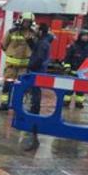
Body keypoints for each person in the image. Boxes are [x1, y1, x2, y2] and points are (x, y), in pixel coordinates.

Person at [23, 23, 54, 151]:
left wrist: (31, 66)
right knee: (34, 91)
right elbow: (36, 50)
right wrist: (30, 41)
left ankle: (34, 109)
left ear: (41, 31)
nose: (35, 31)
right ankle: (34, 108)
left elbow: (39, 57)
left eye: (37, 29)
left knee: (35, 92)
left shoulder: (43, 43)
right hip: (38, 70)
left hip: (37, 71)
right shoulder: (42, 41)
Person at [0, 12, 37, 111]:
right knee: (7, 85)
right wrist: (11, 53)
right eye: (25, 21)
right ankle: (4, 104)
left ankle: (17, 105)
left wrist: (30, 41)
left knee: (21, 87)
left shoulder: (33, 33)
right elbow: (3, 44)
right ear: (21, 20)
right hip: (11, 66)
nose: (27, 24)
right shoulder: (12, 32)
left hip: (24, 67)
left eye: (29, 22)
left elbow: (35, 48)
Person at [63, 30, 88, 108]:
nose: (85, 37)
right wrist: (67, 67)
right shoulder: (74, 46)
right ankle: (66, 102)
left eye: (87, 36)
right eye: (83, 35)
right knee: (69, 89)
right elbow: (67, 58)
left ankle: (79, 103)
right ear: (80, 36)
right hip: (72, 71)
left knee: (81, 90)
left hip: (84, 73)